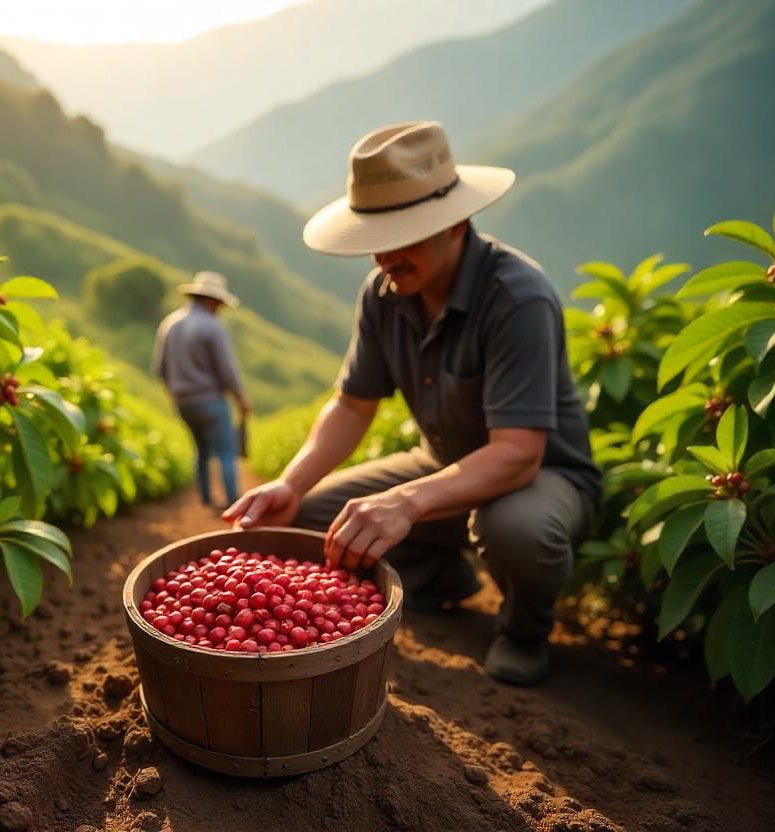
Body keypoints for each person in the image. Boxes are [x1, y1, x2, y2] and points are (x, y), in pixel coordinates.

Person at [223, 121, 600, 686]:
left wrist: (404, 502)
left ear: (457, 225)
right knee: (313, 518)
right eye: (377, 238)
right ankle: (441, 576)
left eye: (407, 236)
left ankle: (524, 631)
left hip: (541, 475)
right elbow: (352, 407)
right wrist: (291, 483)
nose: (386, 258)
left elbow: (519, 454)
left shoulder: (517, 297)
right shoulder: (384, 295)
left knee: (515, 528)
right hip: (440, 465)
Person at [153, 271, 251, 510]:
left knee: (202, 450)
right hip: (211, 400)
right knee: (227, 452)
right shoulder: (213, 326)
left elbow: (159, 367)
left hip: (183, 402)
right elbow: (227, 370)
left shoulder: (170, 324)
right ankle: (232, 502)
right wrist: (240, 398)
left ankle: (206, 498)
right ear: (212, 300)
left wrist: (175, 393)